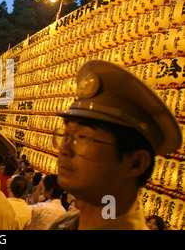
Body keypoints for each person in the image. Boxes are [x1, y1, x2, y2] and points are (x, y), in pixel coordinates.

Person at [49, 60, 182, 230]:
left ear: (136, 163)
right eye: (66, 135)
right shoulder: (64, 225)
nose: (64, 149)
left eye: (82, 138)